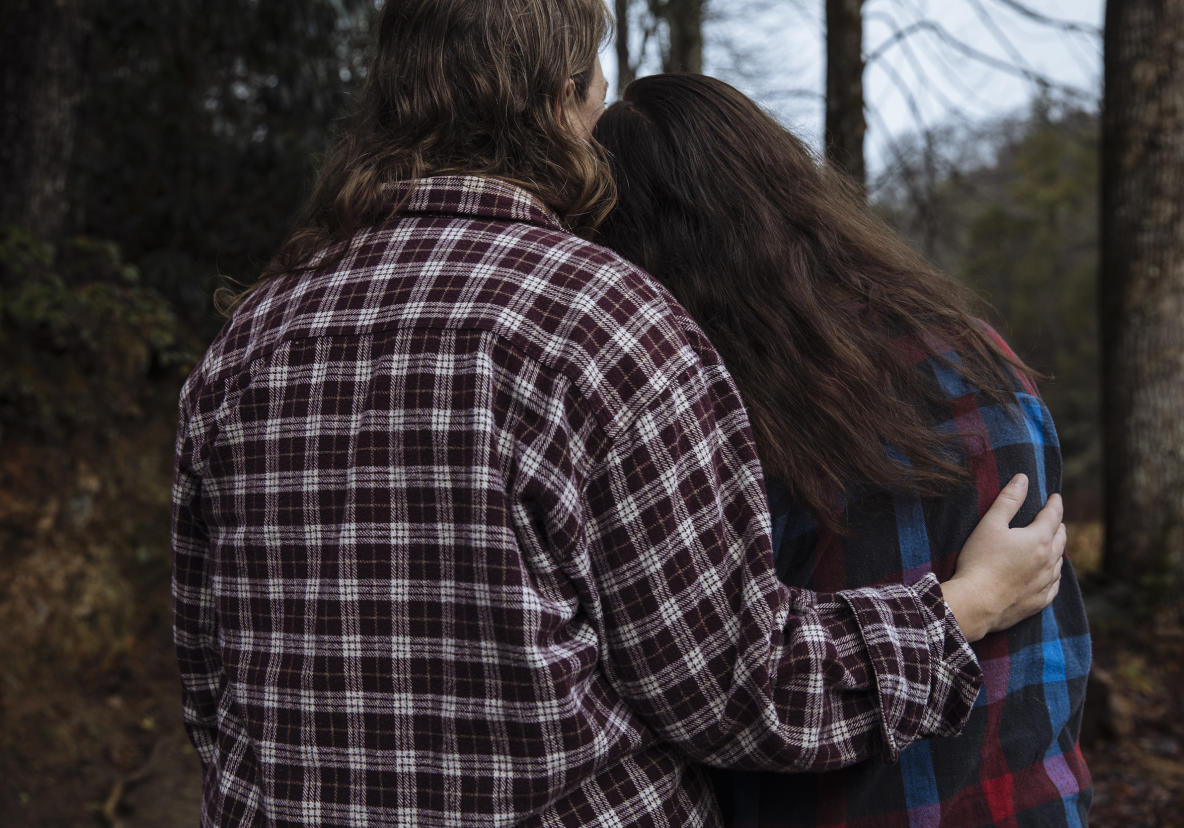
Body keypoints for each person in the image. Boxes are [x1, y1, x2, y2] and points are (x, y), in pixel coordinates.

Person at [170, 3, 1067, 825]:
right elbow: (733, 690)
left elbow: (211, 689)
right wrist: (961, 611)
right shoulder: (606, 321)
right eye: (596, 80)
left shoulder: (254, 334)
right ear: (564, 100)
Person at [591, 73, 1092, 827]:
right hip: (1028, 801)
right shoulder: (973, 348)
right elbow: (1058, 619)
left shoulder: (704, 408)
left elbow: (722, 683)